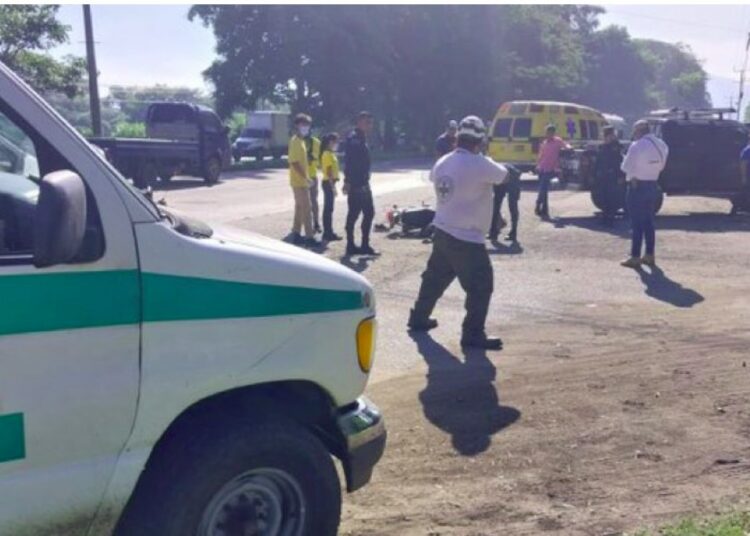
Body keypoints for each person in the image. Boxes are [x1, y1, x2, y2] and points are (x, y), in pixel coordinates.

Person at [408, 115, 509, 350]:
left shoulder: (444, 161)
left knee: (433, 279)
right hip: (467, 238)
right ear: (480, 140)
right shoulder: (480, 163)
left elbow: (436, 178)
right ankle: (472, 334)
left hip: (442, 231)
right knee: (481, 285)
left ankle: (419, 317)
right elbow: (504, 175)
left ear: (458, 137)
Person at [620, 120, 668, 268]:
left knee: (636, 223)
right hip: (653, 185)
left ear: (639, 131)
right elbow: (661, 167)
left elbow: (625, 167)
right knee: (648, 222)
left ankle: (635, 256)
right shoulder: (662, 145)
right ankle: (649, 254)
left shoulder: (637, 145)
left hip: (637, 186)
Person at [344, 111, 377, 256]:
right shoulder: (354, 139)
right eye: (366, 122)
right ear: (359, 122)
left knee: (367, 213)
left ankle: (363, 244)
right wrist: (348, 181)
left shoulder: (362, 138)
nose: (369, 125)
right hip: (357, 183)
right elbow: (350, 162)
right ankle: (351, 245)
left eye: (370, 122)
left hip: (363, 182)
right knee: (356, 214)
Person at [287, 114, 319, 247]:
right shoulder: (295, 141)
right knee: (307, 208)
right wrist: (305, 178)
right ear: (297, 125)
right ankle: (309, 237)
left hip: (300, 181)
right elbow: (294, 163)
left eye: (307, 125)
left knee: (300, 208)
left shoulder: (301, 141)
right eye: (303, 124)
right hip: (299, 181)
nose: (306, 127)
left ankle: (296, 233)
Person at [535, 125, 570, 218]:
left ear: (553, 133)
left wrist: (569, 147)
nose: (548, 134)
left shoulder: (557, 141)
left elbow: (565, 146)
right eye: (547, 132)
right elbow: (541, 155)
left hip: (551, 168)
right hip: (542, 167)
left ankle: (538, 204)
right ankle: (544, 210)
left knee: (543, 188)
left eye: (550, 132)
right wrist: (537, 165)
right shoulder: (544, 142)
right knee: (544, 189)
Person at [593, 125, 625, 226]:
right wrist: (595, 174)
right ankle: (605, 216)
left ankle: (609, 218)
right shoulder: (603, 147)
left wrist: (620, 176)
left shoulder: (615, 146)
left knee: (612, 197)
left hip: (612, 175)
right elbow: (598, 161)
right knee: (603, 197)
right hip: (602, 176)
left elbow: (618, 162)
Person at [488, 163, 521, 242]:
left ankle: (496, 232)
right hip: (506, 177)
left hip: (511, 177)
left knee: (509, 205)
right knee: (498, 205)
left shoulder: (489, 170)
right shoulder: (489, 168)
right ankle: (494, 232)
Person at [320, 133, 342, 241]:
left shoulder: (331, 153)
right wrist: (333, 187)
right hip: (328, 183)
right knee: (328, 209)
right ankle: (327, 233)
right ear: (330, 142)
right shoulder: (327, 154)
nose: (336, 144)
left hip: (330, 182)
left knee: (329, 209)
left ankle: (329, 231)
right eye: (335, 142)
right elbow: (328, 172)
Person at [304, 132, 322, 234]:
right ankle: (308, 224)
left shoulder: (316, 143)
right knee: (304, 202)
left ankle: (316, 223)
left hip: (312, 175)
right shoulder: (298, 142)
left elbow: (320, 160)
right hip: (302, 176)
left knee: (313, 200)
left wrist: (313, 160)